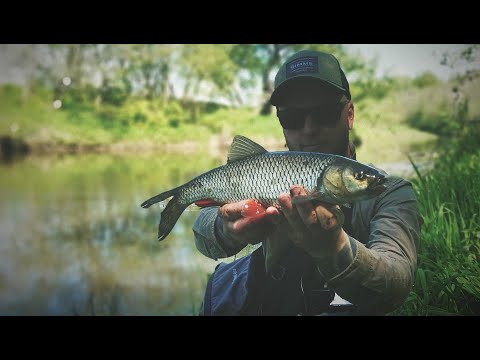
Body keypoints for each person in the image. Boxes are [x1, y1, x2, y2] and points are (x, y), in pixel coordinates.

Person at [193, 49, 422, 316]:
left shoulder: (390, 192)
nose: (309, 129)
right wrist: (226, 229)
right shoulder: (269, 177)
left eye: (324, 113)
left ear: (349, 114)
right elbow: (202, 228)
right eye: (292, 117)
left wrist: (335, 248)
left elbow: (396, 284)